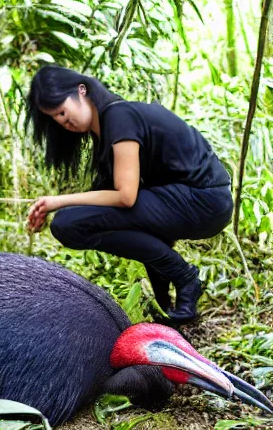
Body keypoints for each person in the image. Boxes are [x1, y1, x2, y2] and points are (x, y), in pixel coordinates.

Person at [26, 65, 233, 324]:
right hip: (190, 200)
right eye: (56, 119)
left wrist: (57, 202)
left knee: (69, 223)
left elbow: (126, 197)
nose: (64, 123)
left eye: (63, 112)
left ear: (81, 91)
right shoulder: (106, 128)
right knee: (79, 221)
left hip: (204, 200)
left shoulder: (118, 116)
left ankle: (185, 277)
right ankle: (167, 307)